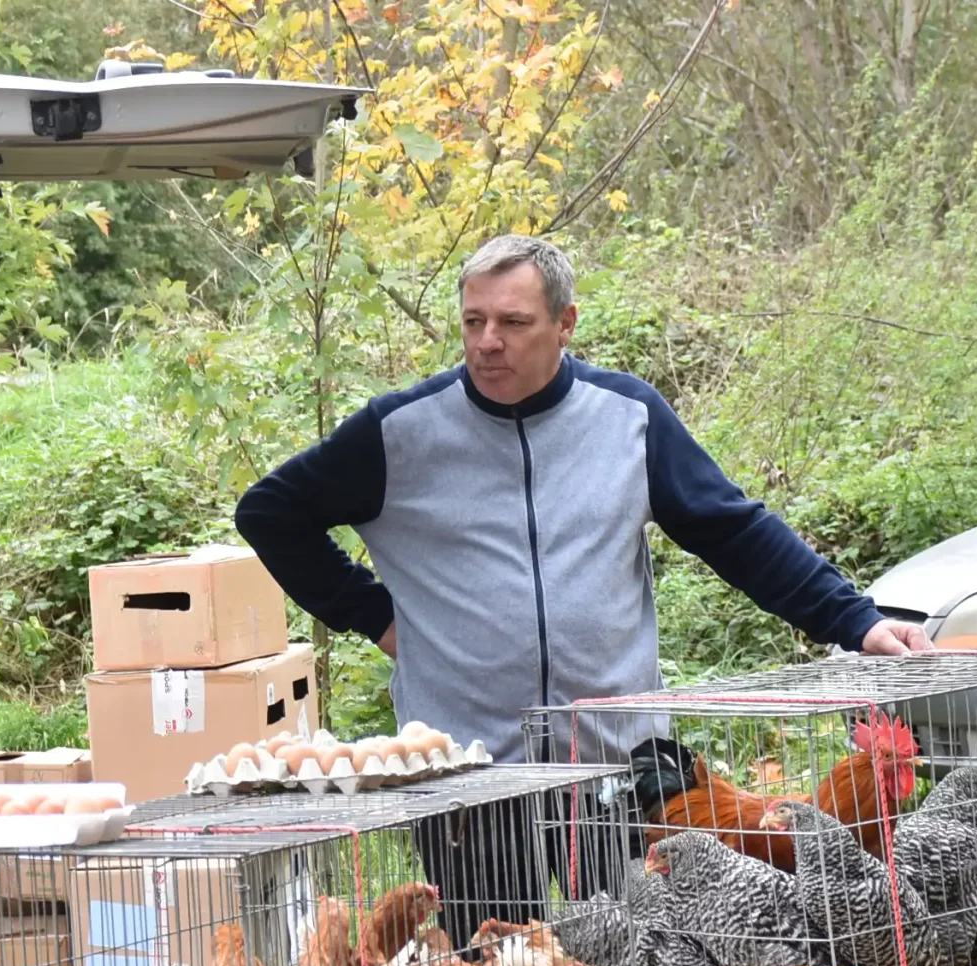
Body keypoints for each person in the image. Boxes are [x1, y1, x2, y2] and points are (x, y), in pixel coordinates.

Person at [235, 234, 932, 924]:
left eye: (513, 322)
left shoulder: (628, 417)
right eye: (474, 321)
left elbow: (735, 531)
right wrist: (380, 619)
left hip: (619, 772)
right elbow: (269, 513)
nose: (487, 342)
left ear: (565, 324)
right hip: (470, 776)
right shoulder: (398, 433)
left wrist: (857, 620)